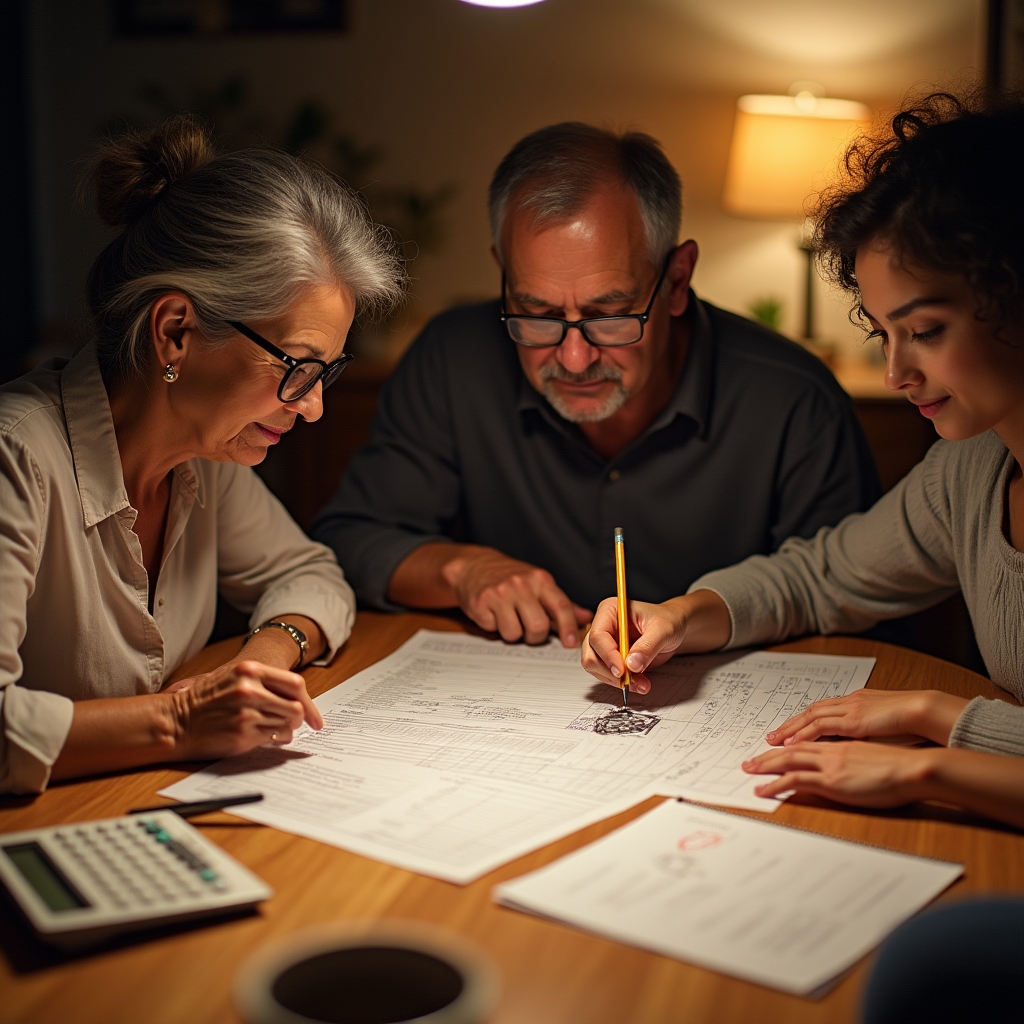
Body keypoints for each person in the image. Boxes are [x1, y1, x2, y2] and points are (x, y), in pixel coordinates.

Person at [581, 92, 1024, 829]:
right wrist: (678, 617)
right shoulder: (973, 471)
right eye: (883, 332)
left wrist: (935, 735)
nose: (895, 374)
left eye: (926, 329)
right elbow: (818, 578)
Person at [312, 123, 880, 649]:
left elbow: (850, 604)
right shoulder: (451, 359)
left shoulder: (794, 401)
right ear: (502, 274)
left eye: (610, 315)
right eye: (536, 313)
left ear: (677, 280)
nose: (575, 357)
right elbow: (353, 539)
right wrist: (459, 571)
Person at [0, 116, 404, 794]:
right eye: (297, 366)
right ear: (176, 332)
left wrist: (269, 658)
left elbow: (311, 574)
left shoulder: (206, 458)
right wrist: (179, 720)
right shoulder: (16, 458)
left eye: (326, 372)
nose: (313, 406)